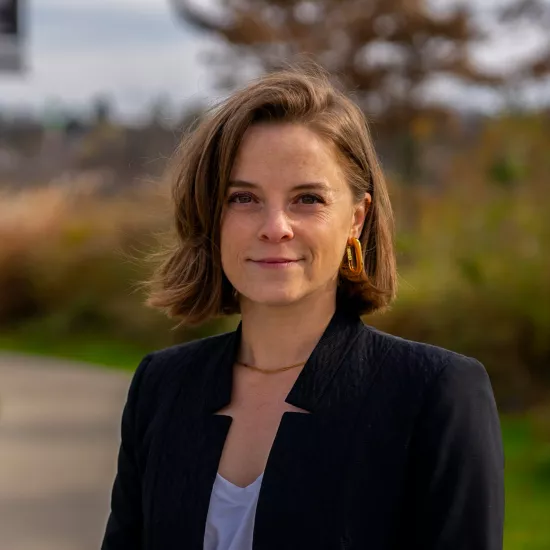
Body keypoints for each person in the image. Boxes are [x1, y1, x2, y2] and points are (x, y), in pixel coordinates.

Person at [100, 63, 504, 550]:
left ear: (356, 219)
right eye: (243, 198)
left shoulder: (433, 394)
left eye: (307, 199)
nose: (275, 227)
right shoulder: (161, 387)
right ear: (211, 216)